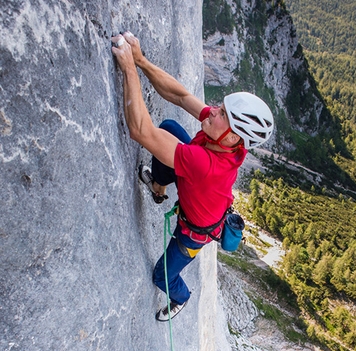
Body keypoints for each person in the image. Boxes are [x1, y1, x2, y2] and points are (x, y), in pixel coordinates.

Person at [111, 31, 274, 321]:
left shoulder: (205, 164)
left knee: (161, 276)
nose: (212, 112)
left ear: (233, 136)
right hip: (196, 189)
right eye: (221, 109)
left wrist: (127, 68)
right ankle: (158, 189)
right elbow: (181, 95)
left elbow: (140, 131)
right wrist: (141, 61)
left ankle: (181, 297)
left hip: (193, 233)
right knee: (171, 127)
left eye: (221, 114)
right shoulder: (226, 140)